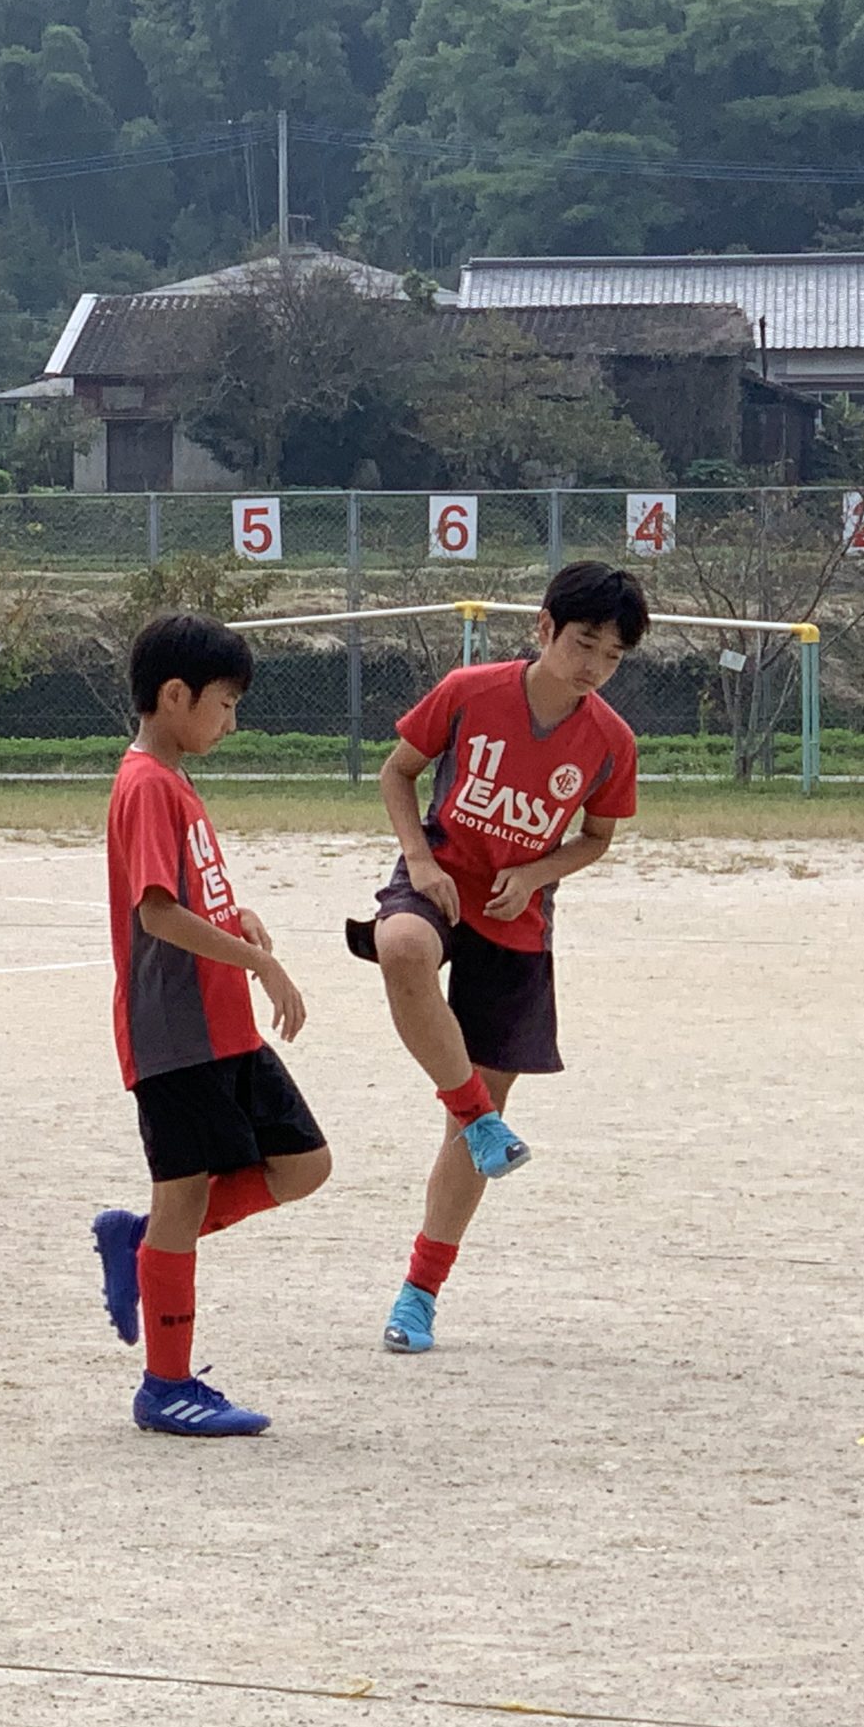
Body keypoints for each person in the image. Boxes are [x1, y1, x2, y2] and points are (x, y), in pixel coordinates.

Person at [350, 562, 645, 1356]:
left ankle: (419, 1294)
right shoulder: (470, 690)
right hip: (441, 878)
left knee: (472, 1128)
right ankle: (479, 1118)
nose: (593, 666)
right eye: (584, 643)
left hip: (517, 921)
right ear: (544, 627)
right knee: (400, 943)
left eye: (613, 656)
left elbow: (596, 837)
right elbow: (398, 771)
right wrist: (417, 858)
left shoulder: (612, 742)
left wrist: (539, 871)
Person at [88, 615, 331, 1438]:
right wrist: (258, 962)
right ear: (174, 695)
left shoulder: (176, 779)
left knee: (304, 1164)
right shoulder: (147, 783)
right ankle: (165, 1385)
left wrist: (240, 917)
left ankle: (145, 1243)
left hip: (220, 1024)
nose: (232, 721)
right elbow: (156, 913)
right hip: (176, 1031)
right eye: (225, 704)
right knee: (184, 1197)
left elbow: (188, 897)